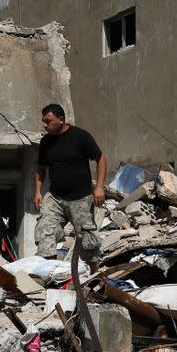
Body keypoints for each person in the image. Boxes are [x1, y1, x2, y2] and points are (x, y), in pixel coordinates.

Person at [34, 103, 106, 266]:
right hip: (55, 197)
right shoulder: (46, 142)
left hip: (81, 198)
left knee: (88, 240)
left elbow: (100, 158)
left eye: (48, 121)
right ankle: (48, 272)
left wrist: (99, 186)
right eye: (43, 121)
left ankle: (93, 277)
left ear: (61, 120)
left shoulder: (80, 136)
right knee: (44, 230)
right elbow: (40, 169)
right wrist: (38, 192)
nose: (45, 125)